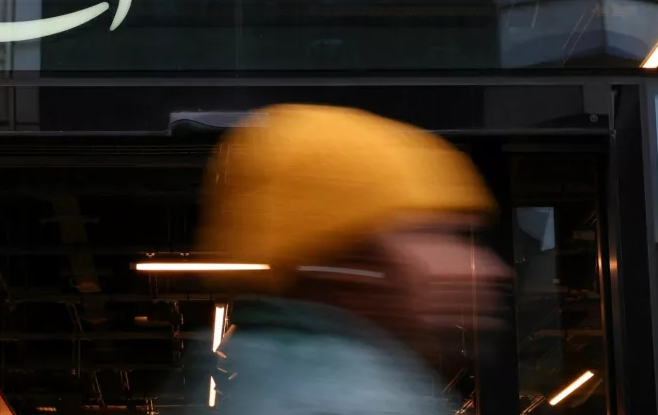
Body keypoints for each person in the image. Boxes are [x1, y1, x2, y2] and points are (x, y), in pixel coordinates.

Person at [196, 104, 511, 415]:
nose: (490, 269)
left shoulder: (266, 377)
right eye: (434, 234)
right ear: (349, 263)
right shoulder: (352, 401)